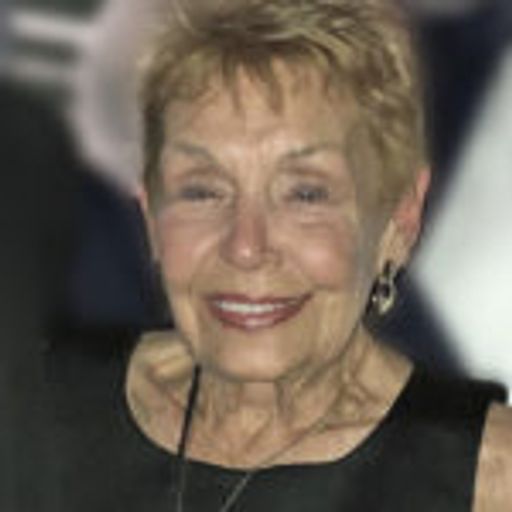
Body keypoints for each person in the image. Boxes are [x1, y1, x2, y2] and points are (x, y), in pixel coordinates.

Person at [48, 0, 512, 510]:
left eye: (305, 194)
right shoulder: (40, 415)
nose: (246, 247)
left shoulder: (489, 476)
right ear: (152, 215)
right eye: (202, 191)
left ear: (400, 217)